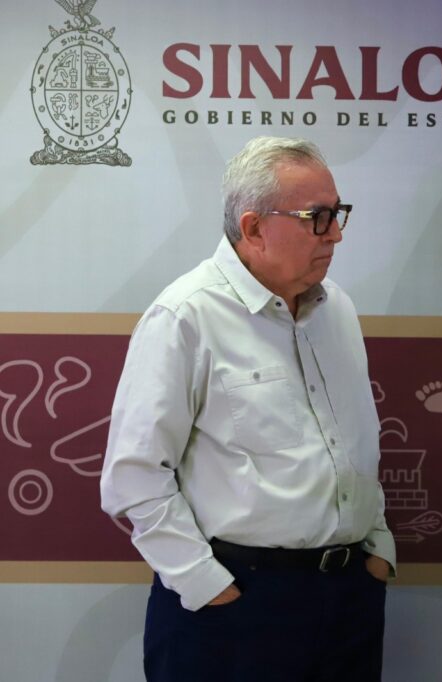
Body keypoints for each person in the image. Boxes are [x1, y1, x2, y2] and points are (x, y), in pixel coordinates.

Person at [100, 136, 394, 681]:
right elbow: (134, 475)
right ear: (254, 227)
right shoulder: (185, 316)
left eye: (338, 214)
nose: (335, 233)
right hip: (236, 606)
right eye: (318, 217)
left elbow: (353, 442)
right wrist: (205, 584)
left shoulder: (338, 309)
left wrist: (377, 546)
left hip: (349, 599)